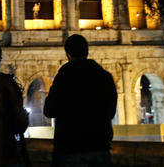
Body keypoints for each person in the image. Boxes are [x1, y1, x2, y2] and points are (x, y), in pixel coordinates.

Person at [44, 34, 117, 167]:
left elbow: (49, 110)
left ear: (68, 55)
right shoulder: (105, 77)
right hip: (99, 147)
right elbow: (111, 112)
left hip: (69, 148)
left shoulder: (63, 78)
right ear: (87, 52)